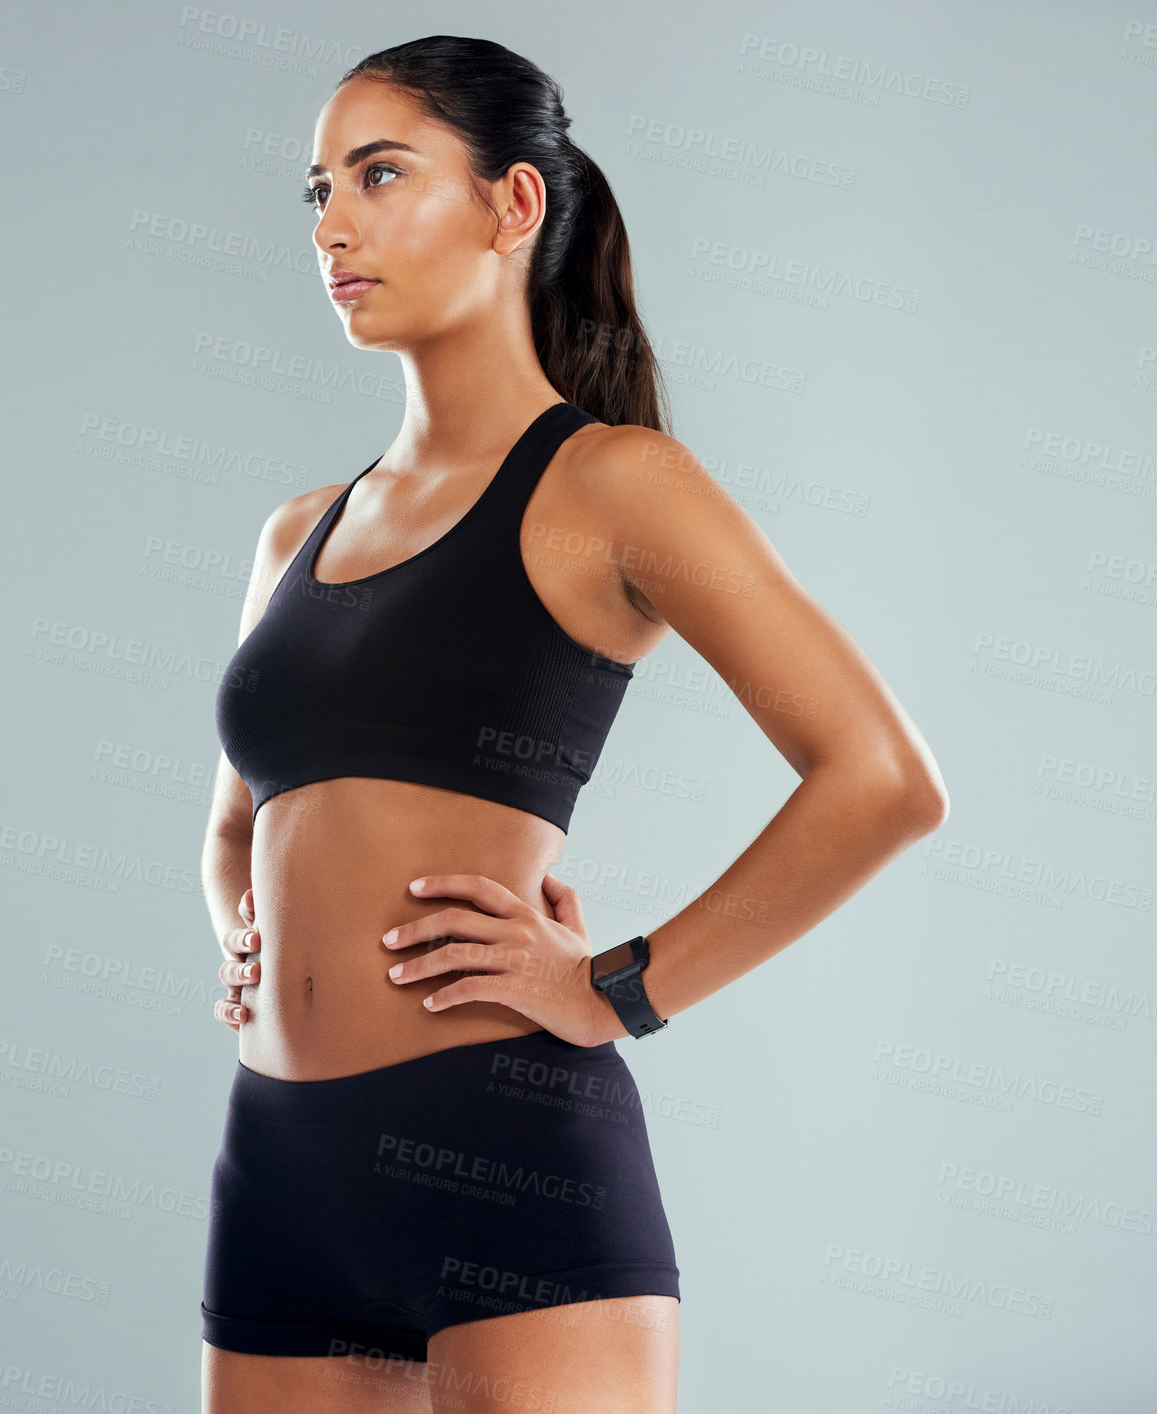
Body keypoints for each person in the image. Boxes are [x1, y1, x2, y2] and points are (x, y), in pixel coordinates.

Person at [199, 34, 949, 1414]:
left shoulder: (616, 486)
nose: (334, 225)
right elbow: (243, 811)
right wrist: (238, 929)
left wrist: (612, 986)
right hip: (279, 1163)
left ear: (513, 205)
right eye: (317, 191)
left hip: (504, 1151)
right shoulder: (294, 532)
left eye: (379, 173)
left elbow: (881, 779)